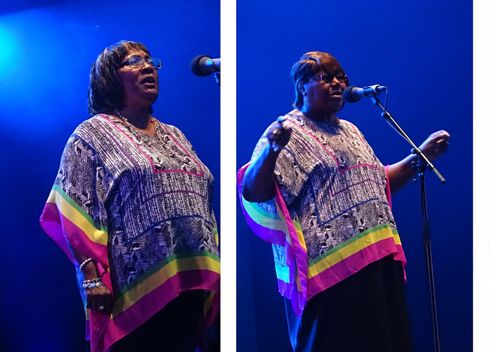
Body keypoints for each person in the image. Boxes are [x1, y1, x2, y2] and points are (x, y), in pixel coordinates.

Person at [238, 51, 450, 351]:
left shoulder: (350, 130)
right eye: (326, 77)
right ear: (302, 86)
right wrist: (271, 150)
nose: (337, 83)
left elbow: (379, 183)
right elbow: (255, 193)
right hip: (330, 272)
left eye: (341, 78)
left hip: (377, 260)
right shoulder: (288, 130)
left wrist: (420, 157)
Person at [39, 40, 220, 352]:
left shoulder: (175, 135)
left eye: (151, 61)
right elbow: (74, 206)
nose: (148, 66)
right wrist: (91, 277)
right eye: (135, 61)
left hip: (195, 279)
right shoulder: (92, 134)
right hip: (135, 288)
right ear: (110, 77)